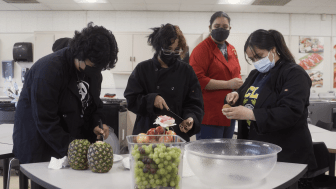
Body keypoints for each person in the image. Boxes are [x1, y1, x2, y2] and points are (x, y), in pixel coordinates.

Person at [13, 22, 119, 164]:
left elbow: (94, 105)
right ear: (81, 54)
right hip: (42, 147)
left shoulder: (93, 72)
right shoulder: (49, 70)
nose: (96, 71)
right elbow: (45, 120)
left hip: (72, 145)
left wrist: (96, 124)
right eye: (93, 66)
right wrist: (75, 151)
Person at [222, 29, 317, 172]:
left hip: (285, 153)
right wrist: (234, 97)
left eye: (259, 56)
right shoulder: (256, 74)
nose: (256, 62)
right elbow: (246, 96)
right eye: (252, 59)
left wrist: (250, 115)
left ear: (273, 49)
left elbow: (290, 112)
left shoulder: (294, 74)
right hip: (254, 150)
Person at [124, 23, 204, 142]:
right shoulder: (143, 69)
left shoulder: (186, 71)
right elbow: (131, 100)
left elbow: (194, 103)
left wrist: (191, 118)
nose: (172, 53)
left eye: (176, 50)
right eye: (168, 49)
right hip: (147, 134)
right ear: (158, 47)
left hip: (176, 134)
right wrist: (152, 99)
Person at [190, 11, 243, 140]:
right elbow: (197, 80)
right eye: (217, 26)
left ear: (230, 28)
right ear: (210, 28)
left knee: (225, 155)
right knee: (208, 156)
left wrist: (235, 91)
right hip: (210, 114)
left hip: (229, 112)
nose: (221, 29)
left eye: (225, 27)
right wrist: (228, 84)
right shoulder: (201, 49)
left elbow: (237, 74)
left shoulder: (232, 49)